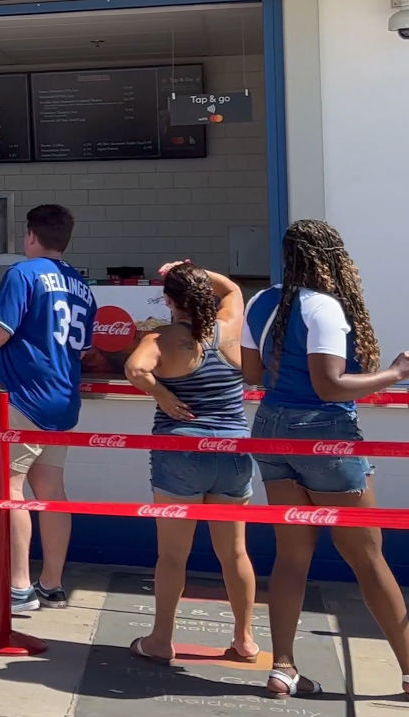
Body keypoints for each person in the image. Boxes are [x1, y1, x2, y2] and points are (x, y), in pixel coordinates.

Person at [241, 219, 409, 701]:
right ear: (331, 257)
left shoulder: (262, 302)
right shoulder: (325, 308)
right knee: (367, 556)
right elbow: (329, 386)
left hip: (271, 429)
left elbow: (252, 374)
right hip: (326, 434)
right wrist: (394, 373)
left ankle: (284, 668)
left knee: (291, 557)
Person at [123, 262, 258, 666]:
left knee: (172, 555)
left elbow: (134, 369)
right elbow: (232, 287)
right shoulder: (230, 327)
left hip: (180, 451)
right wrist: (192, 269)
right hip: (233, 450)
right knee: (235, 553)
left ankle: (162, 639)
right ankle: (245, 639)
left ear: (168, 301)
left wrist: (162, 395)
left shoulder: (162, 339)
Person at [0, 203, 93, 617]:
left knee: (9, 489)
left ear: (30, 236)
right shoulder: (80, 283)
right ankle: (52, 584)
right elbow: (85, 348)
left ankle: (18, 588)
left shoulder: (22, 273)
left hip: (23, 395)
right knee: (52, 492)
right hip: (63, 398)